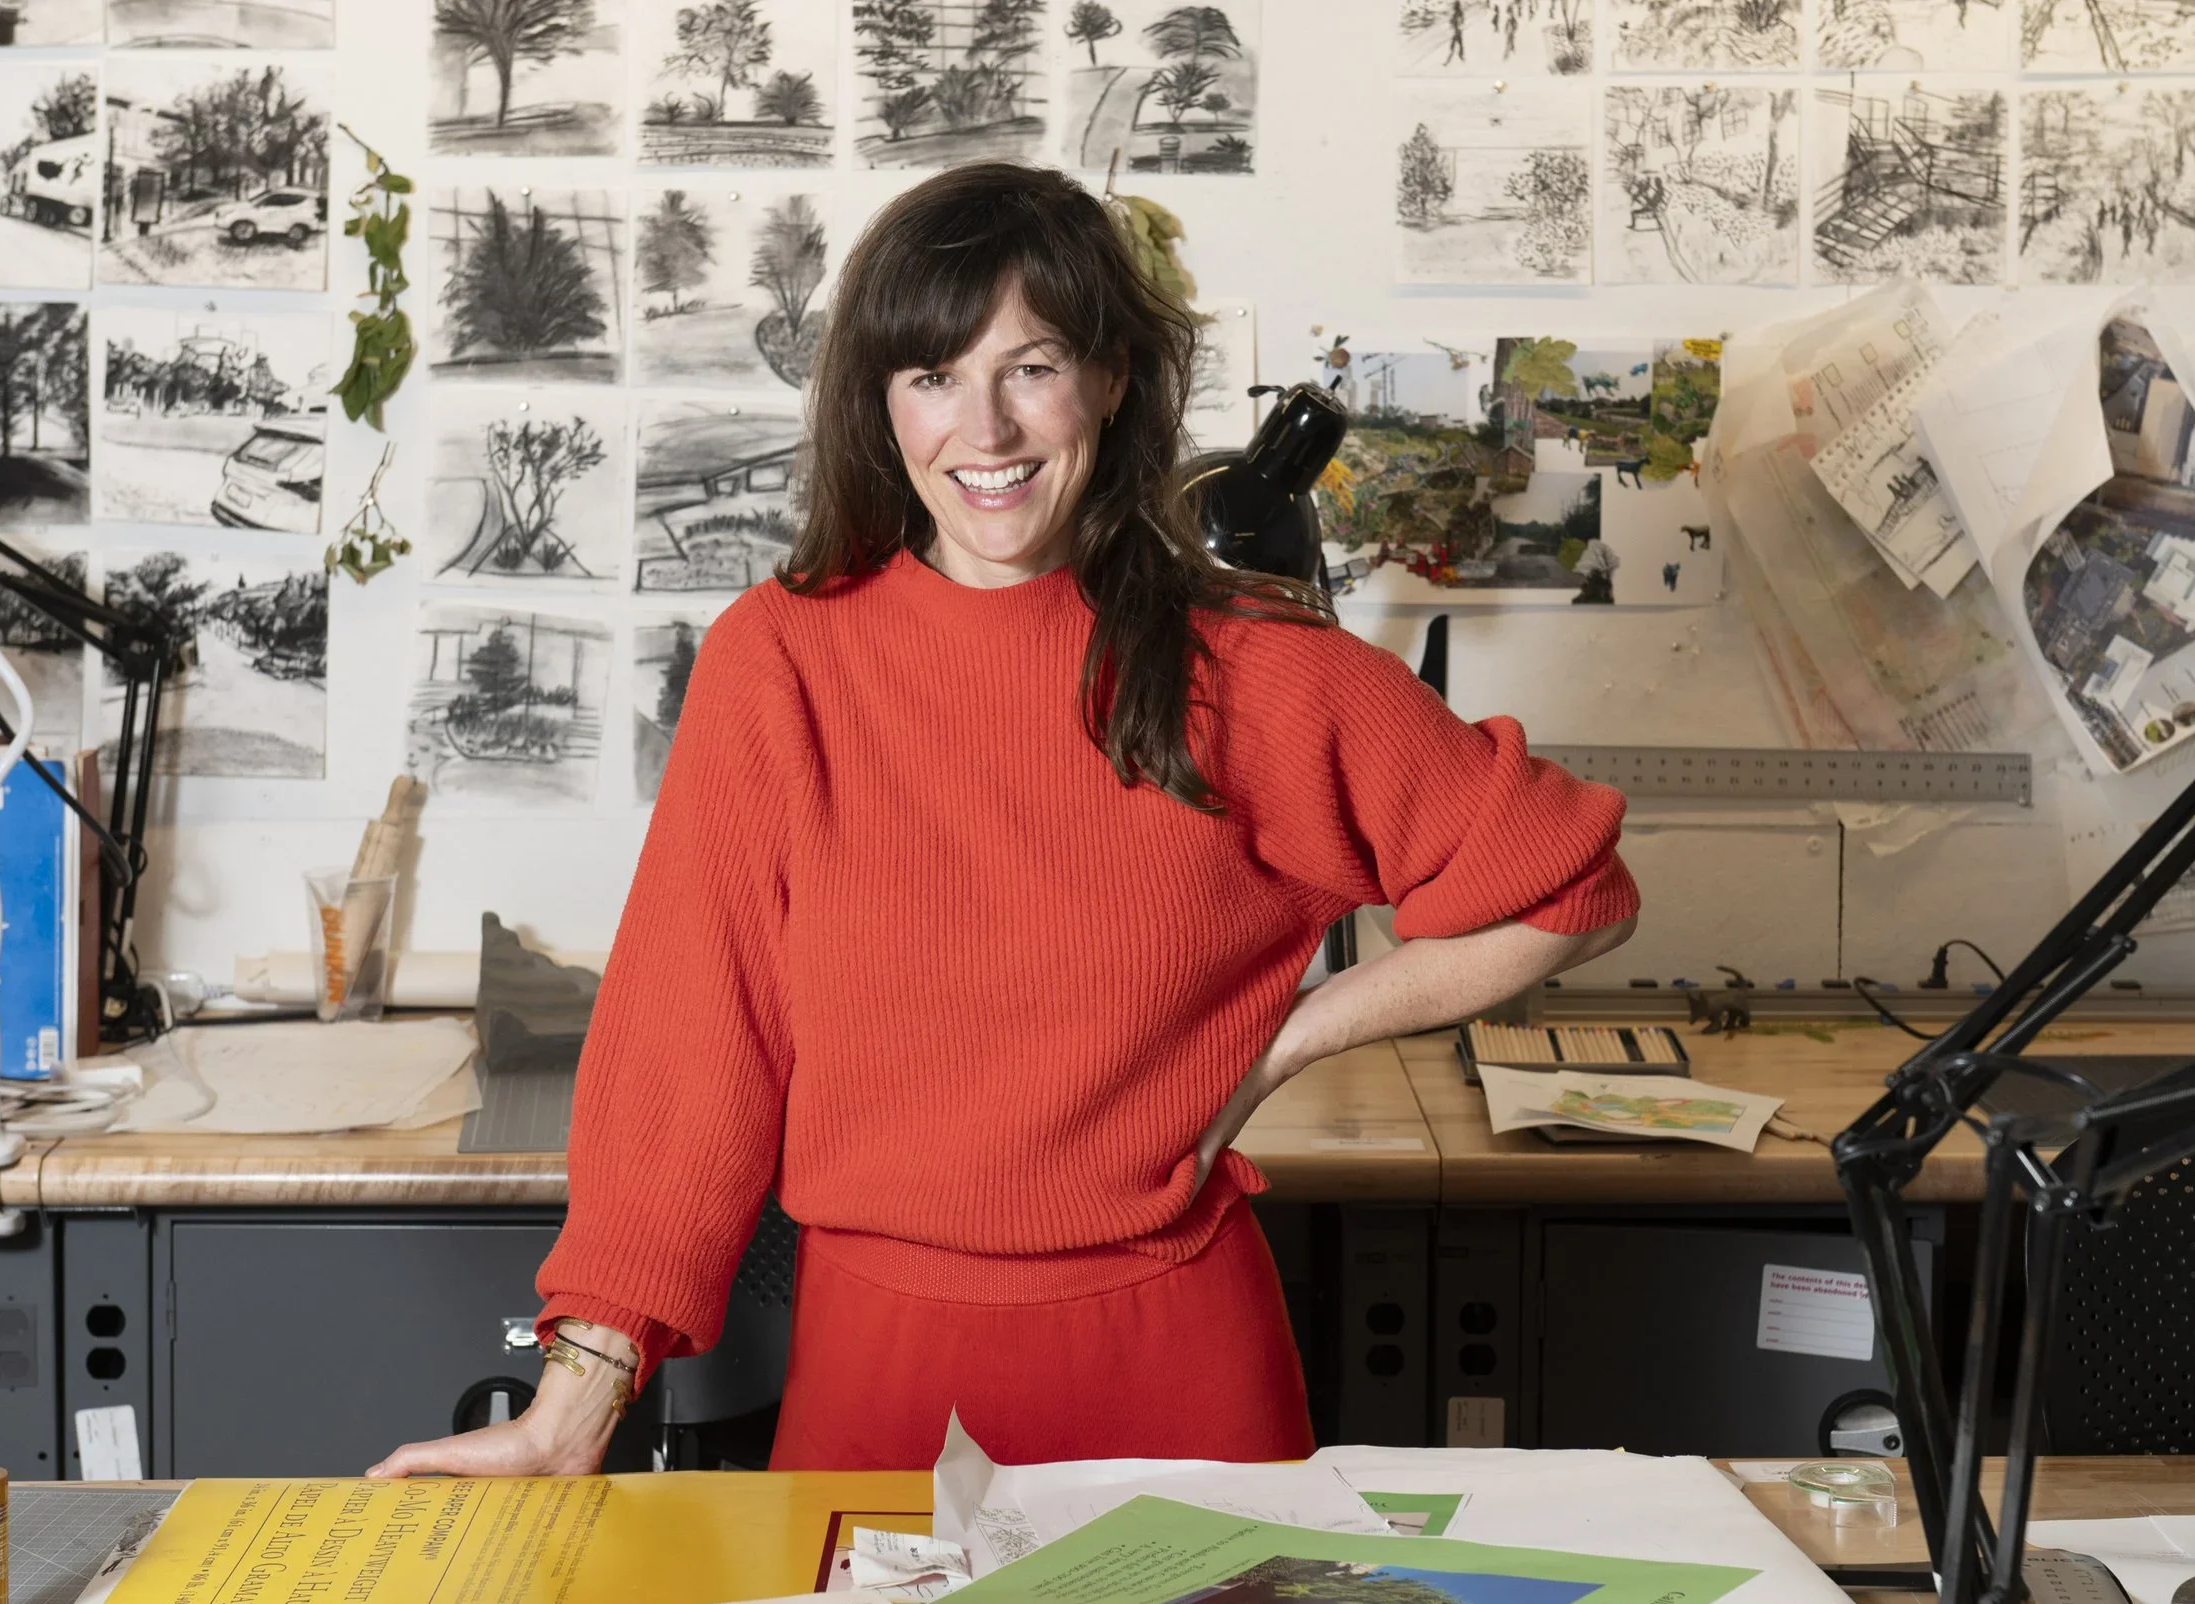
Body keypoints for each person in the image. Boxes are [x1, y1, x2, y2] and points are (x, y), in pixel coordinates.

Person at [369, 162, 1638, 1479]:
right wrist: (572, 1406)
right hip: (877, 1370)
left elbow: (1574, 893)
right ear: (880, 402)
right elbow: (692, 1039)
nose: (984, 429)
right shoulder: (782, 658)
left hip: (1176, 1365)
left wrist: (1277, 1047)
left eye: (1031, 368)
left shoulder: (1249, 663)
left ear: (1113, 379)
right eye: (933, 376)